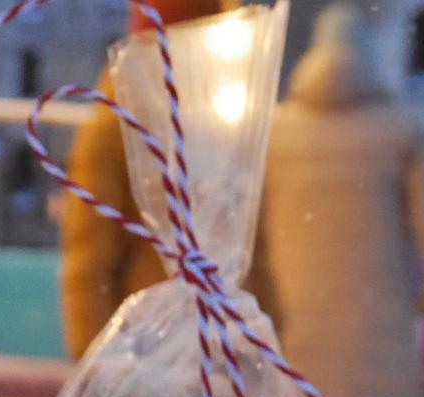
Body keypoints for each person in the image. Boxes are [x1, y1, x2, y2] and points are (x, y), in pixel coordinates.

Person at [258, 5, 424, 397]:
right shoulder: (405, 130)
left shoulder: (274, 131)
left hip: (296, 301)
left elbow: (251, 230)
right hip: (377, 302)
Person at [58, 0, 277, 358]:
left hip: (225, 352)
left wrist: (266, 335)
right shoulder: (119, 124)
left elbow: (255, 244)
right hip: (152, 354)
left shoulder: (226, 121)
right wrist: (101, 365)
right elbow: (88, 262)